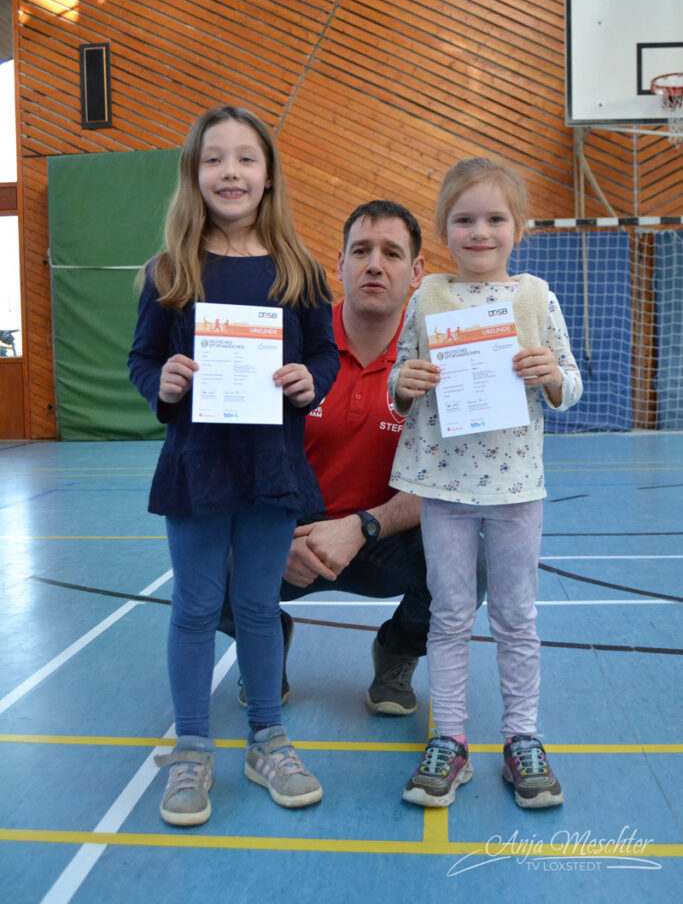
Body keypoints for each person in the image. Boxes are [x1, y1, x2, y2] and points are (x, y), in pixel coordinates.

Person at [128, 105, 339, 826]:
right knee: (194, 607)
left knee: (256, 606)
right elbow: (142, 359)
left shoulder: (300, 271)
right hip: (197, 463)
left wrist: (312, 382)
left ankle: (267, 740)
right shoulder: (169, 270)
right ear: (194, 174)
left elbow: (324, 354)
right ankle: (191, 746)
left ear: (268, 175)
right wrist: (162, 383)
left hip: (271, 464)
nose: (230, 171)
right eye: (214, 158)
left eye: (246, 158)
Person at [219, 200, 487, 715]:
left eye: (392, 253)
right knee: (204, 567)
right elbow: (241, 459)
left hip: (383, 536)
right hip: (290, 534)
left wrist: (362, 526)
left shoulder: (444, 356)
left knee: (471, 563)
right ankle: (264, 639)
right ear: (340, 262)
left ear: (417, 271)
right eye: (361, 251)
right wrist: (276, 535)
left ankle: (397, 650)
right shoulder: (286, 341)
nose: (374, 265)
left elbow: (447, 481)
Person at [389, 158, 582, 810]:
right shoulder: (427, 298)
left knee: (515, 619)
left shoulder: (535, 297)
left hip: (515, 491)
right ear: (445, 227)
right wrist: (405, 384)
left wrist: (549, 374)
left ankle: (522, 738)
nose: (479, 232)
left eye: (494, 218)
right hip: (444, 489)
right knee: (448, 616)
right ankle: (449, 740)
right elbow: (398, 384)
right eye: (464, 219)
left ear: (518, 227)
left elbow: (570, 387)